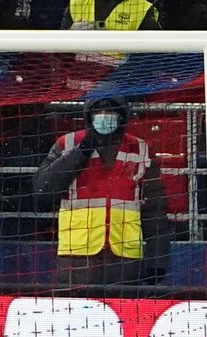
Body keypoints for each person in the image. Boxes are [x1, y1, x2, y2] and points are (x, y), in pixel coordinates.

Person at [33, 95, 170, 289]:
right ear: (89, 115)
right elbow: (42, 189)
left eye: (111, 112)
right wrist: (82, 151)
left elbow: (155, 212)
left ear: (122, 116)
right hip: (76, 260)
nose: (105, 117)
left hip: (125, 261)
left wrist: (157, 261)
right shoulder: (67, 144)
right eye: (99, 112)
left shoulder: (141, 149)